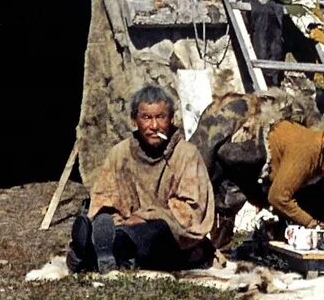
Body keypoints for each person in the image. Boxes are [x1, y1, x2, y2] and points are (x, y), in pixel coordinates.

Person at [192, 93, 324, 243]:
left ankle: (218, 247)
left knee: (231, 196)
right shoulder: (308, 151)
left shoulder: (320, 154)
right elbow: (278, 197)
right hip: (247, 151)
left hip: (257, 169)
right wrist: (312, 224)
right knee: (213, 190)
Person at [67, 85, 215, 274]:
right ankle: (100, 247)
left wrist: (147, 216)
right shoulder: (120, 154)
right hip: (127, 224)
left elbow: (192, 211)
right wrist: (115, 218)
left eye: (161, 117)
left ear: (171, 119)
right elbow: (105, 198)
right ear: (134, 120)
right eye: (147, 118)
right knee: (108, 225)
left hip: (172, 234)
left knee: (151, 233)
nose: (154, 126)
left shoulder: (186, 154)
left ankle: (92, 252)